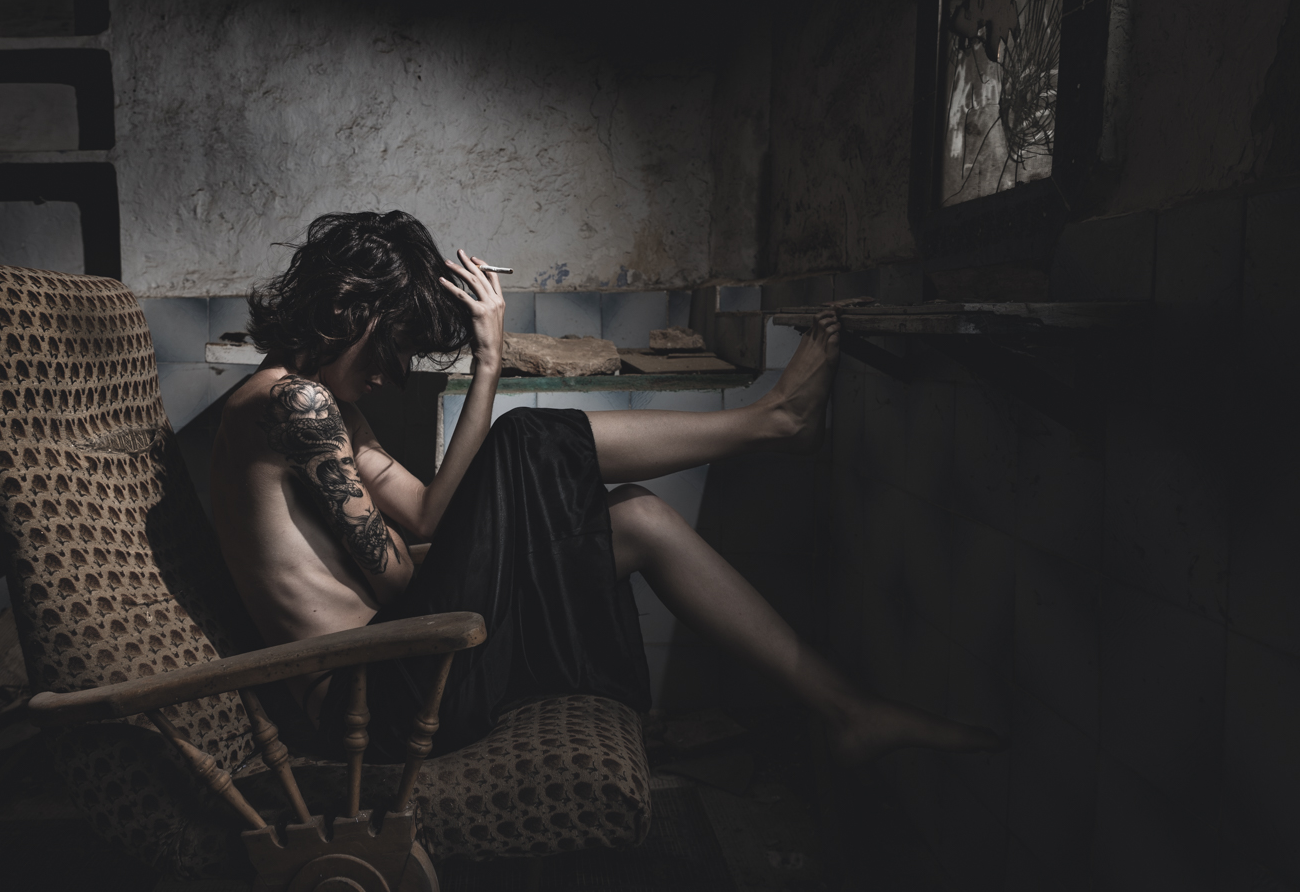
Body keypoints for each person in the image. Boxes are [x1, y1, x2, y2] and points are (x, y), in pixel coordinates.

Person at [211, 210, 1000, 765]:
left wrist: (490, 372)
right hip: (373, 704)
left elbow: (423, 514)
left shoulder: (322, 404)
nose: (393, 374)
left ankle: (846, 709)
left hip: (408, 667)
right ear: (346, 310)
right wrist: (499, 499)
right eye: (392, 347)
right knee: (524, 441)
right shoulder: (294, 405)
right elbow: (399, 579)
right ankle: (774, 422)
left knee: (637, 519)